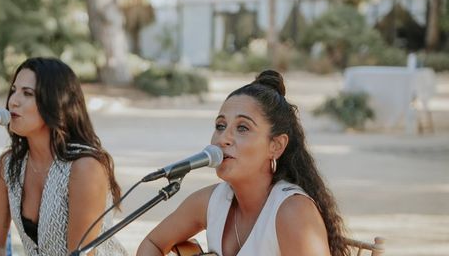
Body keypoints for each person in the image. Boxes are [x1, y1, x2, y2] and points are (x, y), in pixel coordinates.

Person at [136, 70, 348, 256]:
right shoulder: (211, 202)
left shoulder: (293, 212)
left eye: (243, 128)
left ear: (276, 146)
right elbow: (152, 243)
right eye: (220, 126)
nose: (223, 139)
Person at [0, 57, 127, 256]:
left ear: (55, 102)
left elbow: (78, 254)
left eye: (27, 93)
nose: (13, 101)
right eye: (14, 90)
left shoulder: (85, 167)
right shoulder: (7, 166)